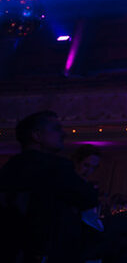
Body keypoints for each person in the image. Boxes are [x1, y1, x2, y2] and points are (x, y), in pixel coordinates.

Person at [0, 110, 99, 263]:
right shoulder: (56, 166)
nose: (63, 134)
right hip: (52, 252)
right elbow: (89, 199)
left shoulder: (8, 168)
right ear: (37, 135)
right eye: (56, 129)